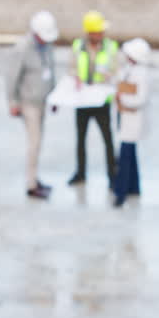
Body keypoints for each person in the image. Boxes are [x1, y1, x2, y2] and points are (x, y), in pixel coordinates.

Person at [6, 11, 59, 200]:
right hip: (29, 104)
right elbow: (12, 77)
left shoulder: (47, 47)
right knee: (34, 144)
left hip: (43, 101)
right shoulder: (22, 49)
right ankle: (31, 184)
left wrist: (54, 97)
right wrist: (12, 102)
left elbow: (50, 71)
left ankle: (35, 179)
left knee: (38, 143)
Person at [68, 10, 119, 187]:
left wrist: (107, 76)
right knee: (81, 139)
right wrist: (75, 78)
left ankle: (112, 175)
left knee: (108, 139)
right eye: (98, 31)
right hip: (83, 100)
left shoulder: (110, 47)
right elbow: (72, 68)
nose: (101, 34)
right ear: (90, 32)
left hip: (101, 101)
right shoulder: (78, 46)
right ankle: (81, 173)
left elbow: (115, 70)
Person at [112, 38, 151, 208]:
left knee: (125, 157)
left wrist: (123, 98)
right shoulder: (130, 69)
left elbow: (140, 99)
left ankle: (120, 193)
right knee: (131, 155)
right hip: (126, 118)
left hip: (133, 120)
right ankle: (133, 188)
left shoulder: (142, 74)